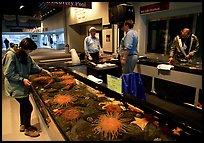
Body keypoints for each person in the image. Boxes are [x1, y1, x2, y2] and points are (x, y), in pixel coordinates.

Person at [2, 38, 52, 137]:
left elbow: (33, 66)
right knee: (28, 107)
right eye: (29, 50)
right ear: (23, 48)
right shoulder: (11, 55)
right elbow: (8, 73)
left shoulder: (26, 56)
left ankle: (23, 124)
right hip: (15, 87)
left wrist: (43, 71)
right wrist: (21, 79)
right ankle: (28, 129)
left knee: (23, 105)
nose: (30, 52)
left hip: (22, 87)